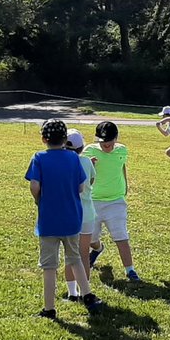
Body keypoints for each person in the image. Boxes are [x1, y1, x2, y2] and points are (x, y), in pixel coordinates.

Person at [26, 118, 103, 318]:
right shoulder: (74, 159)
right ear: (64, 139)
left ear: (44, 139)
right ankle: (87, 295)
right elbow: (80, 186)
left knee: (49, 266)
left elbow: (34, 186)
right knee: (75, 258)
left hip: (49, 221)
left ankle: (49, 308)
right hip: (72, 218)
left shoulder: (39, 158)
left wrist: (38, 199)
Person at [81, 121, 141, 281]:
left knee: (121, 236)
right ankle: (98, 249)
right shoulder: (88, 151)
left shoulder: (122, 150)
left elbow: (121, 167)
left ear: (116, 138)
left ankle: (130, 271)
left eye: (109, 143)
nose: (105, 147)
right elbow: (82, 175)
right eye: (102, 143)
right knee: (91, 239)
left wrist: (125, 186)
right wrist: (89, 165)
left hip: (115, 201)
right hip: (92, 202)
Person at [65, 129, 98, 301]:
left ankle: (72, 292)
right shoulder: (86, 162)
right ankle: (86, 291)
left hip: (69, 213)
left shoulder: (62, 162)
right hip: (87, 213)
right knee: (84, 255)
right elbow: (91, 181)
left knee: (70, 255)